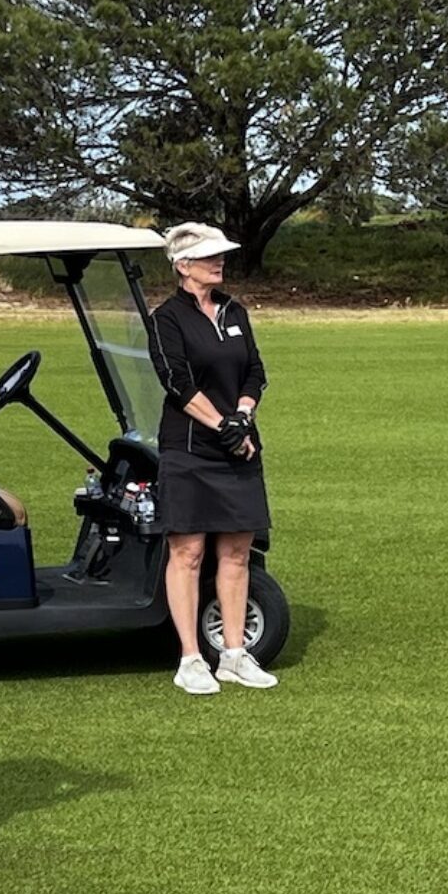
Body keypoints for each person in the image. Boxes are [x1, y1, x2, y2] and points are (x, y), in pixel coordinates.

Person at [144, 222, 278, 696]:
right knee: (188, 553)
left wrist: (242, 416)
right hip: (189, 450)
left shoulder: (234, 310)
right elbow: (177, 383)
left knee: (237, 551)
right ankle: (190, 659)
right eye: (209, 257)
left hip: (239, 447)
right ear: (183, 266)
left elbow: (255, 370)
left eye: (220, 255)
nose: (219, 262)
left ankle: (235, 654)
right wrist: (223, 427)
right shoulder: (166, 319)